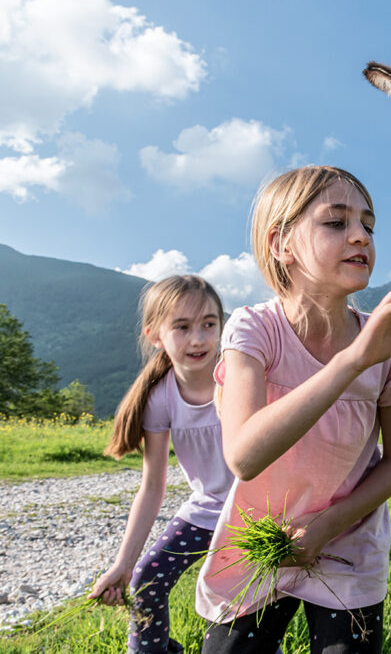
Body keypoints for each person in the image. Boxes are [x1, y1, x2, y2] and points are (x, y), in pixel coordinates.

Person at [196, 166, 391, 654]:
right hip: (260, 539)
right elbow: (243, 455)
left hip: (347, 543)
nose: (360, 236)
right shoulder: (255, 330)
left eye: (368, 225)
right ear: (282, 244)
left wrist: (328, 525)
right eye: (335, 222)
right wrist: (352, 361)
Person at [89, 275, 234, 654]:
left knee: (243, 607)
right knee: (147, 580)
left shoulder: (240, 375)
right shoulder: (160, 396)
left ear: (222, 324)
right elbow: (153, 486)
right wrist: (123, 564)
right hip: (204, 512)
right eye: (182, 327)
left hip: (253, 512)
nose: (198, 339)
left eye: (209, 324)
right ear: (155, 335)